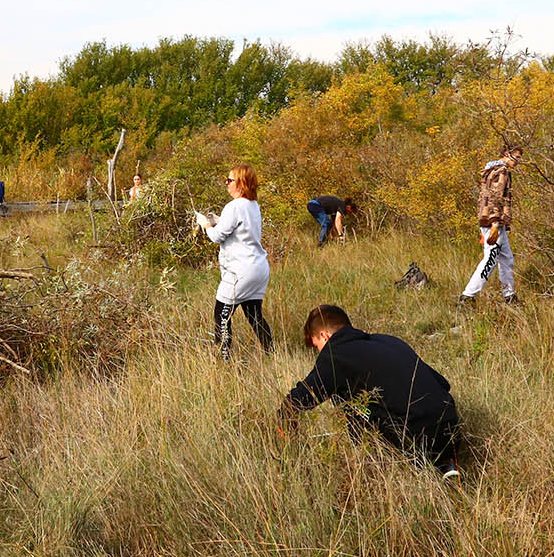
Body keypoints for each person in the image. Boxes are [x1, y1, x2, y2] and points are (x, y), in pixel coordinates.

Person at [277, 305, 461, 479]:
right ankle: (445, 462)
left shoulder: (336, 354)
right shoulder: (388, 340)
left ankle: (369, 460)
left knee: (343, 394)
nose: (319, 352)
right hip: (452, 428)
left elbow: (302, 398)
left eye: (316, 345)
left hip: (414, 437)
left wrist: (283, 421)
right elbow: (442, 383)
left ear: (324, 336)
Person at [195, 164, 273, 360]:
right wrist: (217, 220)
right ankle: (271, 354)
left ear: (240, 183)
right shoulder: (253, 205)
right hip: (259, 268)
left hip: (241, 271)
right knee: (254, 315)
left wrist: (205, 224)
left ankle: (224, 359)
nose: (226, 184)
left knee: (221, 314)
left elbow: (217, 237)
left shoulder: (234, 206)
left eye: (229, 180)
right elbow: (240, 228)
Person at [458, 146, 522, 306]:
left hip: (493, 220)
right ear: (507, 154)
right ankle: (467, 297)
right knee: (491, 258)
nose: (519, 161)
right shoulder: (501, 171)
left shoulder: (492, 169)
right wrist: (494, 223)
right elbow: (495, 197)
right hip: (494, 221)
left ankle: (510, 296)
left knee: (507, 259)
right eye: (517, 157)